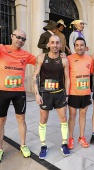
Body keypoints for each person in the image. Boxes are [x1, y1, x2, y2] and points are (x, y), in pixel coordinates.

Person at [0, 29, 36, 162]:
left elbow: (40, 61)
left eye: (23, 39)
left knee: (21, 119)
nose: (20, 40)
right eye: (18, 37)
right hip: (2, 91)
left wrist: (58, 56)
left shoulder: (26, 55)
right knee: (1, 121)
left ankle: (23, 145)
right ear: (11, 36)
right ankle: (0, 149)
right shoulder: (2, 49)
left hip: (19, 92)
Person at [33, 35, 70, 159]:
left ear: (60, 45)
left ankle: (64, 143)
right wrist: (37, 94)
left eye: (57, 43)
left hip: (59, 93)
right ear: (48, 44)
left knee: (64, 118)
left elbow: (67, 78)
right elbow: (35, 76)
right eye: (52, 42)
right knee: (43, 119)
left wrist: (67, 94)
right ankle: (43, 145)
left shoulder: (64, 60)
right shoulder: (41, 58)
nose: (55, 45)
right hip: (45, 94)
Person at [67, 37, 94, 149]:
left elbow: (91, 73)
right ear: (74, 47)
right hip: (73, 92)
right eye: (77, 45)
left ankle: (81, 137)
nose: (79, 47)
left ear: (85, 46)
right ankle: (70, 138)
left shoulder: (90, 59)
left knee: (83, 115)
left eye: (81, 45)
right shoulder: (68, 58)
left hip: (85, 92)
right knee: (72, 116)